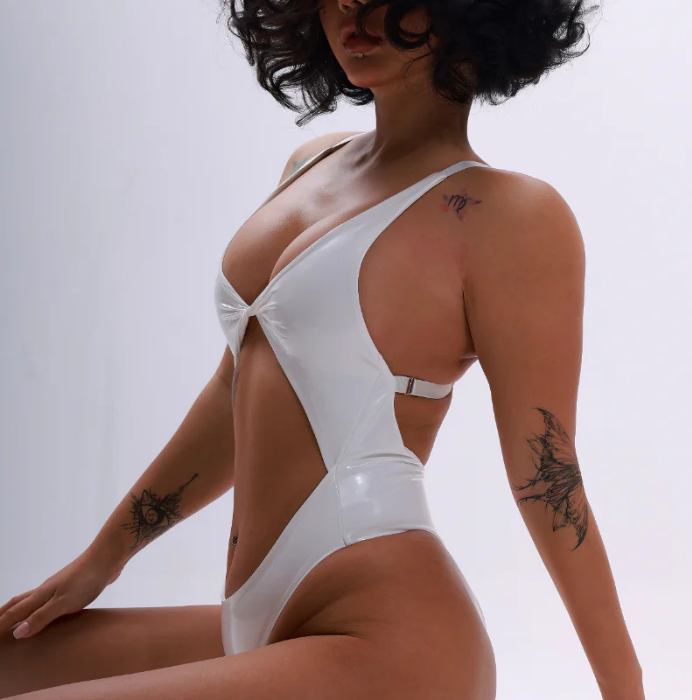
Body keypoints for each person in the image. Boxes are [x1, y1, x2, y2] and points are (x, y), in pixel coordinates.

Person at [0, 1, 646, 699]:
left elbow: (546, 475)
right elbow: (234, 392)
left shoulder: (509, 216)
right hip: (261, 622)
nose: (350, 11)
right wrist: (104, 557)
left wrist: (626, 689)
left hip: (391, 640)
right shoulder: (312, 162)